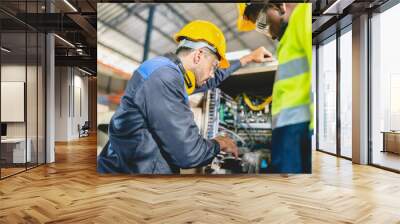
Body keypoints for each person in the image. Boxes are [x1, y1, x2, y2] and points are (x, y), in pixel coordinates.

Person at [98, 20, 272, 174]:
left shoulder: (170, 72)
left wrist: (247, 59)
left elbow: (211, 80)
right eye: (214, 66)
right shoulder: (165, 78)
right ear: (198, 56)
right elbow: (189, 154)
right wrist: (219, 143)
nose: (213, 74)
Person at [237, 3, 312, 173]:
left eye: (261, 20)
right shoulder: (286, 39)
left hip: (297, 125)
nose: (264, 30)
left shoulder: (302, 17)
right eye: (258, 26)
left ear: (278, 5)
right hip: (287, 126)